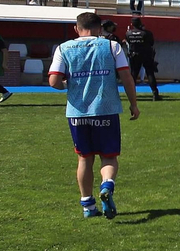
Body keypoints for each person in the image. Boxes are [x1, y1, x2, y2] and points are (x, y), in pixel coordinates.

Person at [48, 12, 141, 219]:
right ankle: (107, 185)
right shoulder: (111, 46)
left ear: (76, 28)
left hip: (78, 112)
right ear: (100, 29)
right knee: (109, 156)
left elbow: (54, 81)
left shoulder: (64, 48)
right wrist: (133, 104)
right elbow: (126, 76)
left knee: (84, 158)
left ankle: (88, 206)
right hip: (106, 109)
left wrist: (67, 84)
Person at [126, 18, 162, 101]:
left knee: (133, 75)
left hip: (134, 55)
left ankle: (131, 94)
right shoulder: (147, 33)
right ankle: (155, 94)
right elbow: (151, 43)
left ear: (132, 24)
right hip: (146, 55)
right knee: (150, 74)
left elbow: (129, 42)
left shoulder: (128, 33)